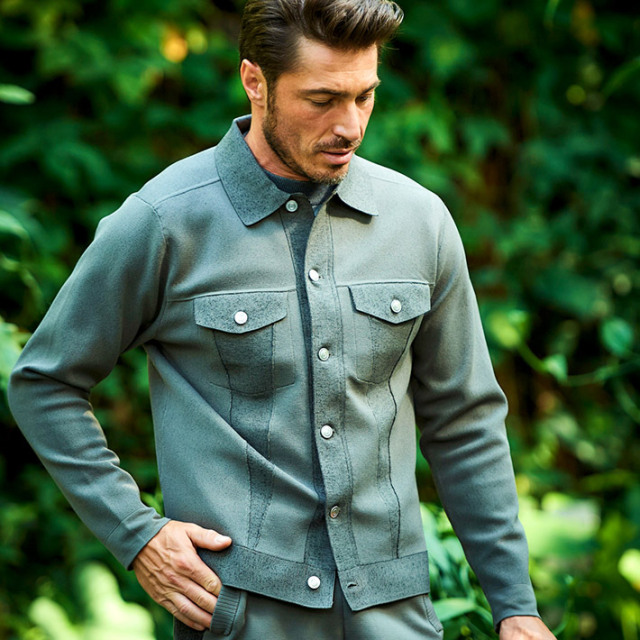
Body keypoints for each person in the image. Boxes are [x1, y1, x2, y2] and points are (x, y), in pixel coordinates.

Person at [8, 0, 557, 638]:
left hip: (398, 617)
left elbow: (463, 421)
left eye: (365, 96)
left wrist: (516, 607)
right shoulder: (166, 221)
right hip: (240, 615)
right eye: (322, 99)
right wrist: (138, 535)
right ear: (255, 81)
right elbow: (45, 382)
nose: (349, 125)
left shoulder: (420, 222)